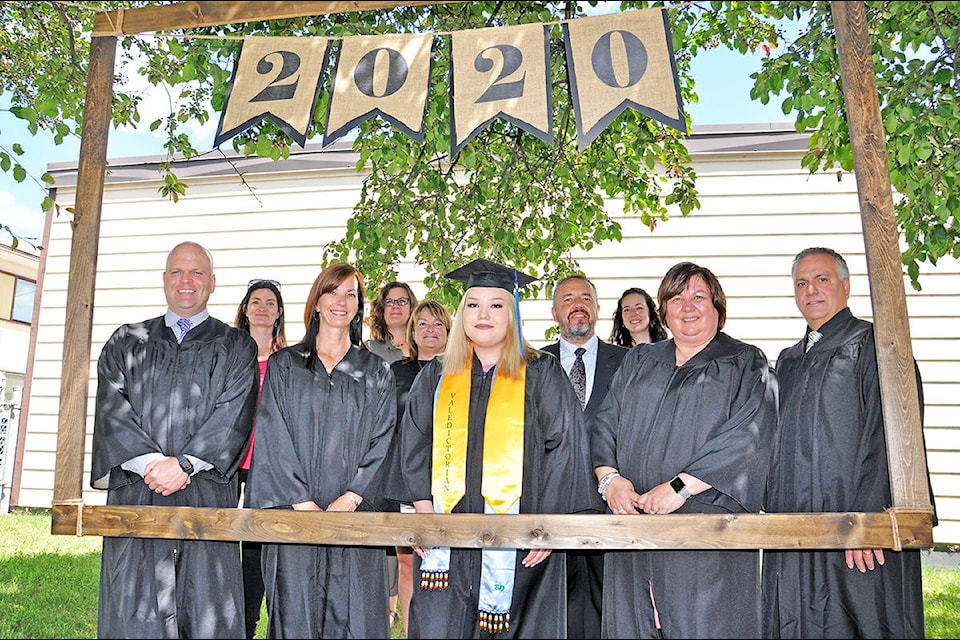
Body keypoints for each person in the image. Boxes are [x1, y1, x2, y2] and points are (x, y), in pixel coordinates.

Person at [391, 258, 596, 638]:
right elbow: (414, 444)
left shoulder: (541, 371)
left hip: (523, 542)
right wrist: (424, 514)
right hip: (445, 540)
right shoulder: (436, 375)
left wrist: (546, 525)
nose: (483, 314)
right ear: (462, 312)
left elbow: (566, 448)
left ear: (512, 313)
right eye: (473, 305)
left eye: (496, 305)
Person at [591, 261, 778, 638]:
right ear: (664, 311)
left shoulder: (745, 362)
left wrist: (680, 487)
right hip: (632, 526)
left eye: (698, 297)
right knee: (632, 622)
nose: (687, 307)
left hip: (703, 531)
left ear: (717, 308)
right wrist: (609, 480)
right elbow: (604, 422)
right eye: (676, 299)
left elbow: (749, 434)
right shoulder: (640, 361)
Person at [762, 247, 935, 639]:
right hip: (796, 522)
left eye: (822, 279)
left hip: (857, 521)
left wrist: (869, 519)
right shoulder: (787, 360)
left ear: (845, 285)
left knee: (857, 618)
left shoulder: (877, 346)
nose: (811, 291)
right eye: (801, 283)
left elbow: (894, 434)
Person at [90, 241, 260, 638]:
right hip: (139, 492)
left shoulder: (236, 346)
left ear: (212, 282)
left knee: (207, 604)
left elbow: (234, 415)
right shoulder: (127, 341)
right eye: (178, 272)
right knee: (136, 607)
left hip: (205, 491)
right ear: (165, 280)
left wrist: (184, 464)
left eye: (197, 272)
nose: (187, 281)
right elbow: (112, 410)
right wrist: (152, 464)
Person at [246, 262, 397, 638]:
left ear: (359, 306)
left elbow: (384, 437)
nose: (341, 302)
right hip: (296, 515)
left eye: (351, 295)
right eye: (332, 292)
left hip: (355, 516)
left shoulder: (376, 371)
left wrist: (354, 494)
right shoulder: (285, 365)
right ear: (316, 302)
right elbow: (272, 434)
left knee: (356, 612)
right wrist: (300, 502)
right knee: (296, 613)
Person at [541, 274, 627, 639]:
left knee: (606, 607)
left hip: (609, 501)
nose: (577, 304)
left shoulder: (630, 361)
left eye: (585, 298)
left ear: (597, 308)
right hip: (548, 501)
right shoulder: (532, 363)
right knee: (551, 606)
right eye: (568, 298)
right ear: (555, 312)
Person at [389, 299, 453, 637]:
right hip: (406, 477)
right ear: (412, 332)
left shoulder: (459, 371)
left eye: (438, 324)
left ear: (449, 331)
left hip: (450, 477)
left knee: (448, 561)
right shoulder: (397, 372)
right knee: (409, 561)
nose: (430, 330)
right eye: (423, 324)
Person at [234, 278, 287, 639]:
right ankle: (233, 622)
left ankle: (256, 625)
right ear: (246, 308)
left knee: (258, 549)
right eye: (256, 301)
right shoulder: (228, 353)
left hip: (267, 467)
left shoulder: (289, 361)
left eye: (270, 302)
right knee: (224, 545)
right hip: (228, 465)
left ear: (279, 312)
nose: (263, 307)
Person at [366, 281, 419, 364]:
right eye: (389, 302)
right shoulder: (368, 350)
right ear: (381, 309)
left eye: (402, 301)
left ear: (411, 307)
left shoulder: (424, 346)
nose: (396, 306)